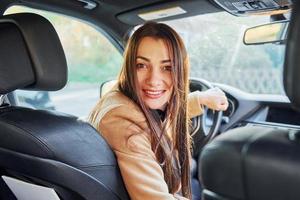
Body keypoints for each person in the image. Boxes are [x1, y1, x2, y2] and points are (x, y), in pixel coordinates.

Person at [89, 22, 228, 200]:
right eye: (142, 65)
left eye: (167, 68)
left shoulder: (122, 96)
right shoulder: (124, 122)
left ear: (179, 70)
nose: (154, 80)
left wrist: (200, 98)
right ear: (129, 67)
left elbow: (159, 111)